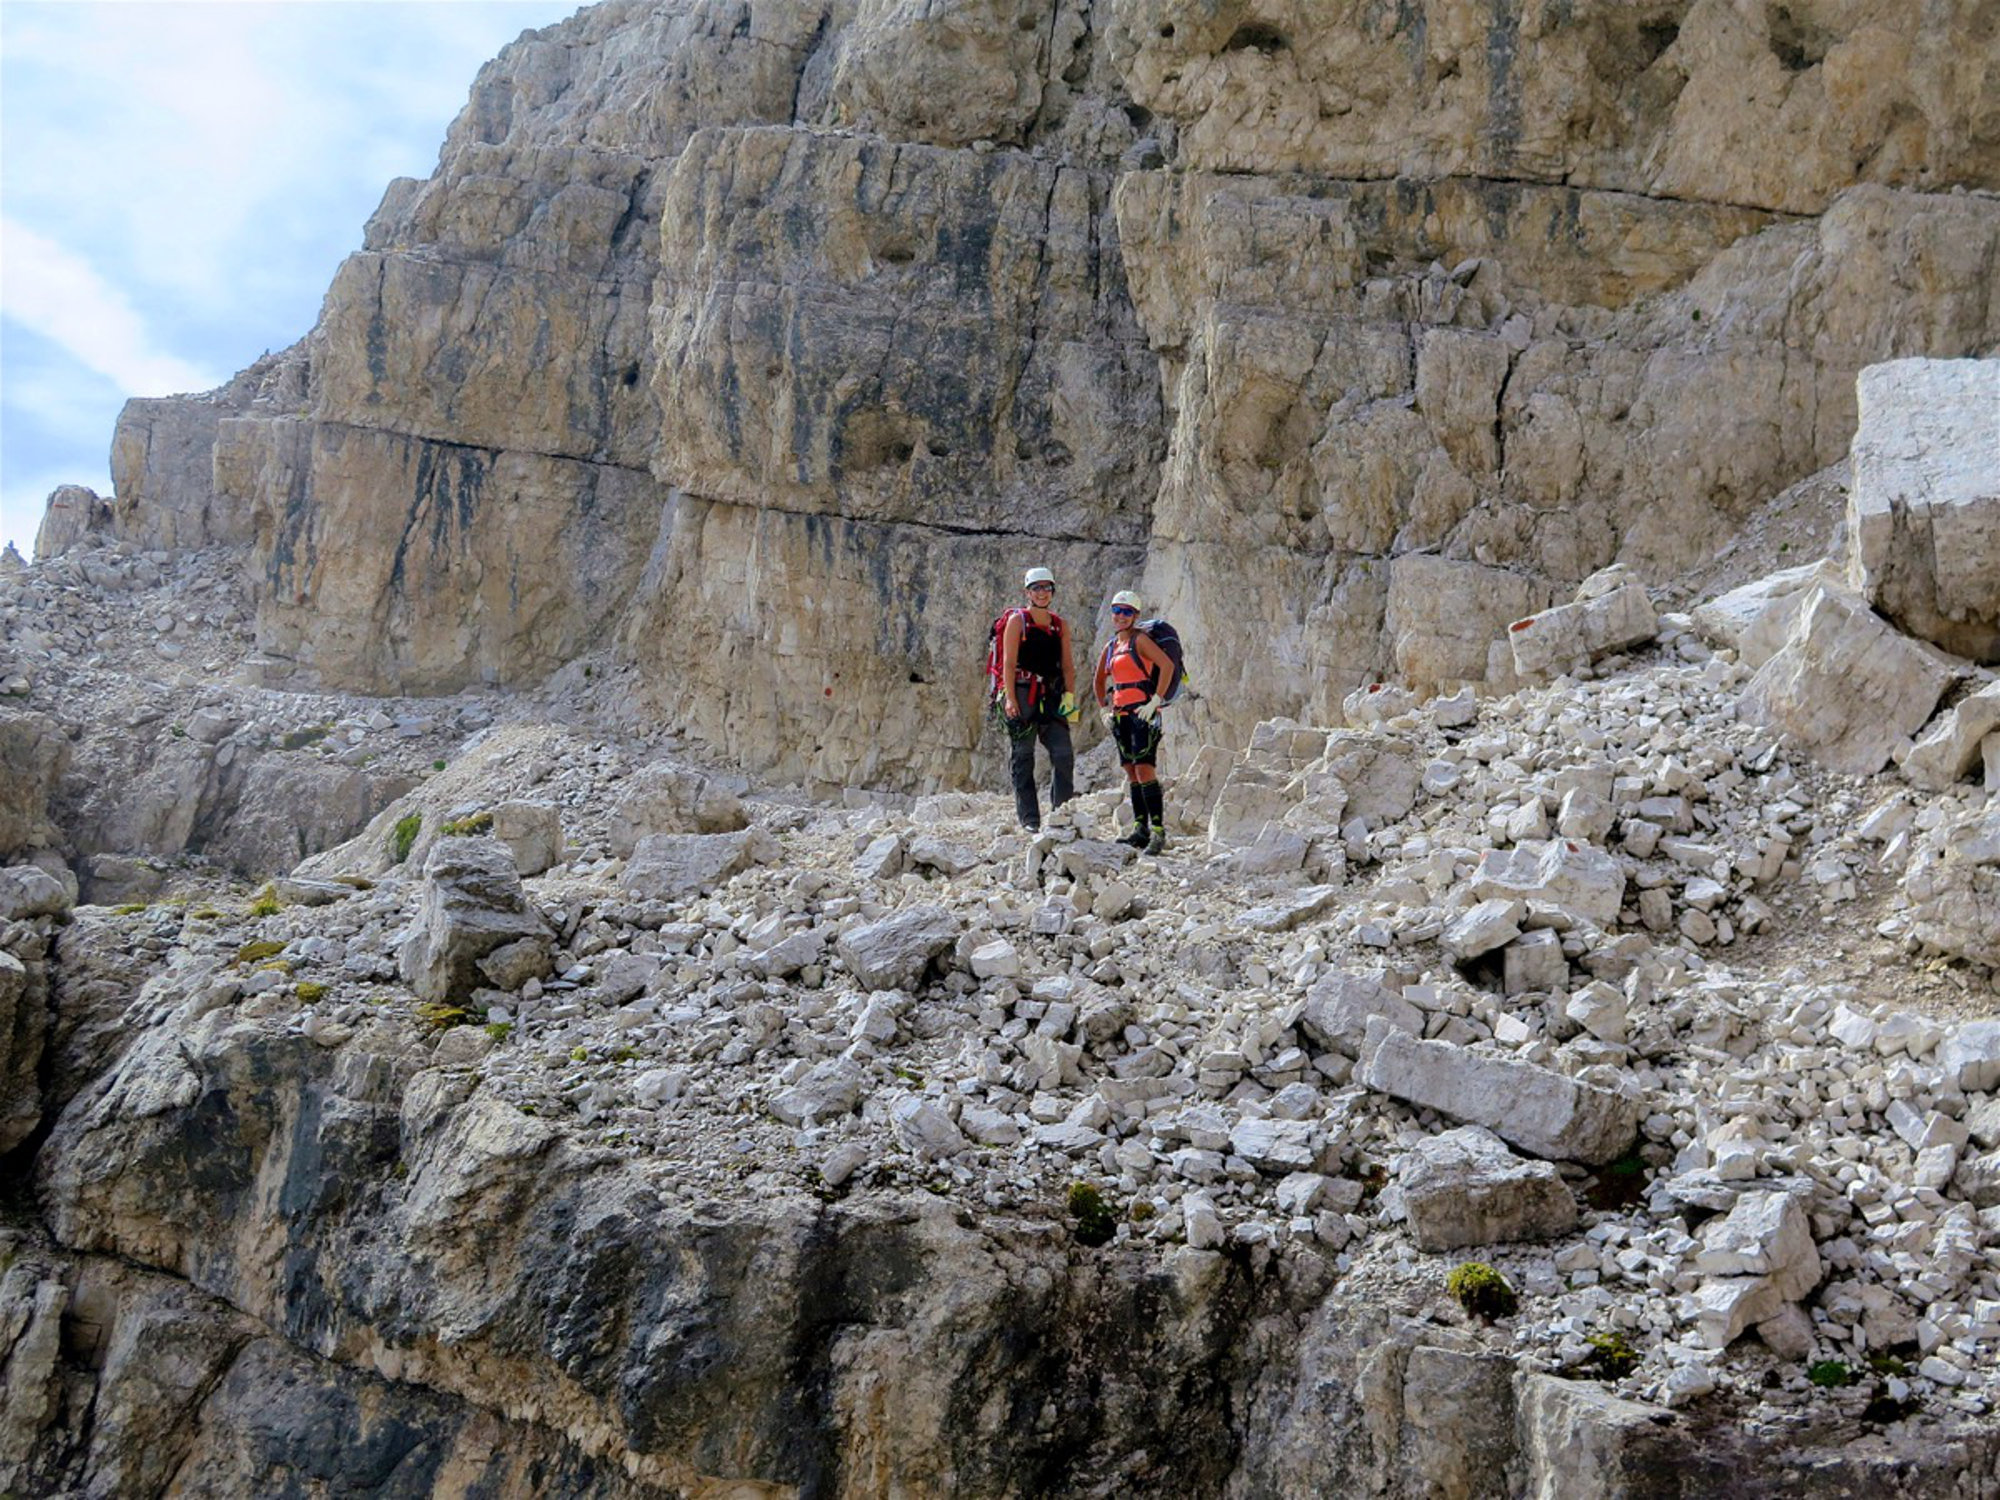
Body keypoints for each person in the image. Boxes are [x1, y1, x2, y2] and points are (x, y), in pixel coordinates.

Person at [1093, 589, 1175, 854]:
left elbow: (1167, 665)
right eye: (1117, 610)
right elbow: (1098, 681)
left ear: (1135, 615)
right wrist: (1103, 709)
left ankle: (1158, 831)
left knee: (1144, 768)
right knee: (1130, 769)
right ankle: (1140, 828)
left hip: (1143, 713)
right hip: (1121, 715)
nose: (1120, 616)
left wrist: (1155, 701)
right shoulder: (1111, 647)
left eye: (1127, 612)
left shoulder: (1140, 641)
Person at [1000, 566, 1078, 831]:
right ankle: (1030, 819)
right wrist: (1010, 699)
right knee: (1023, 756)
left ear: (1052, 591)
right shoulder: (1017, 621)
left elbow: (1067, 664)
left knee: (1063, 754)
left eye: (1046, 587)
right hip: (1022, 692)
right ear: (1027, 592)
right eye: (1037, 588)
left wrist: (1070, 695)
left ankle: (1061, 814)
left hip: (1052, 695)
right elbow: (1008, 664)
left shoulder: (1059, 625)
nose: (1042, 593)